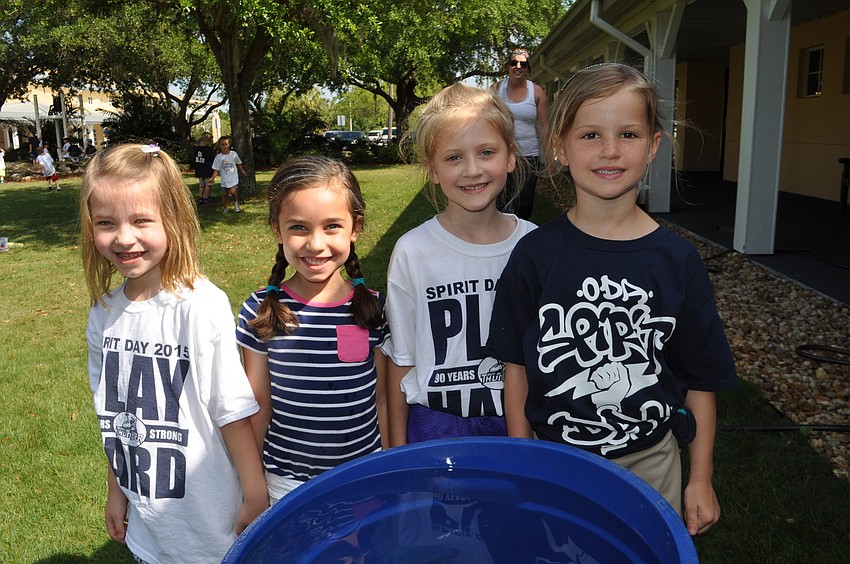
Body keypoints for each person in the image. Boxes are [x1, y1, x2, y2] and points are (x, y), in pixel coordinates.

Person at [485, 63, 739, 536]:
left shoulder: (676, 261)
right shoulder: (536, 254)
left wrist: (699, 478)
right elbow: (515, 367)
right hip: (553, 456)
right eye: (589, 135)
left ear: (653, 147)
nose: (609, 150)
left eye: (628, 133)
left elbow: (702, 378)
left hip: (651, 464)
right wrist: (523, 457)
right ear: (559, 147)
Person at [80, 144, 268, 562]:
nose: (123, 238)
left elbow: (231, 408)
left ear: (175, 220)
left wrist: (255, 494)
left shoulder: (200, 305)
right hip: (149, 525)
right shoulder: (104, 314)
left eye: (141, 220)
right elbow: (114, 417)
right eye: (106, 223)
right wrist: (117, 492)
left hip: (209, 520)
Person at [382, 83, 535, 447]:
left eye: (486, 152)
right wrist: (395, 451)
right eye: (453, 157)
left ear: (510, 157)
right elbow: (401, 359)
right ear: (432, 169)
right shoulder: (412, 252)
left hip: (518, 424)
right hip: (435, 428)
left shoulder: (534, 245)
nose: (472, 170)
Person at [236, 155, 389, 504]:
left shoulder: (373, 308)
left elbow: (380, 397)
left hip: (362, 475)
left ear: (356, 228)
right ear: (277, 229)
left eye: (332, 226)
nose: (315, 244)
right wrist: (251, 487)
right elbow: (258, 403)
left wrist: (387, 464)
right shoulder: (261, 310)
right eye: (299, 227)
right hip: (286, 484)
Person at [492, 48, 549, 220]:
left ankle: (521, 238)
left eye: (523, 64)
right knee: (500, 199)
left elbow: (544, 126)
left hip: (529, 156)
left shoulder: (537, 92)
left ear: (528, 68)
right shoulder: (496, 89)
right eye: (513, 63)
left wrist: (549, 157)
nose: (518, 66)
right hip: (501, 154)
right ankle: (500, 237)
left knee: (524, 203)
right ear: (507, 66)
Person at [210, 135, 247, 213]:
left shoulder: (233, 154)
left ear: (229, 144)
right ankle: (225, 208)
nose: (224, 146)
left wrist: (242, 171)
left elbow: (238, 163)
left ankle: (236, 203)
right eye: (222, 145)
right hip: (224, 179)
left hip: (233, 177)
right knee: (224, 194)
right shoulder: (218, 157)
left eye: (226, 144)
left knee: (233, 191)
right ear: (219, 146)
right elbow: (216, 169)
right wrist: (212, 178)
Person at [191, 132, 215, 204]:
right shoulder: (208, 150)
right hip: (207, 169)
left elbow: (194, 159)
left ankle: (201, 197)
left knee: (201, 185)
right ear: (207, 141)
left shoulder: (196, 149)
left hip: (199, 169)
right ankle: (206, 197)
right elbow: (212, 158)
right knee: (208, 184)